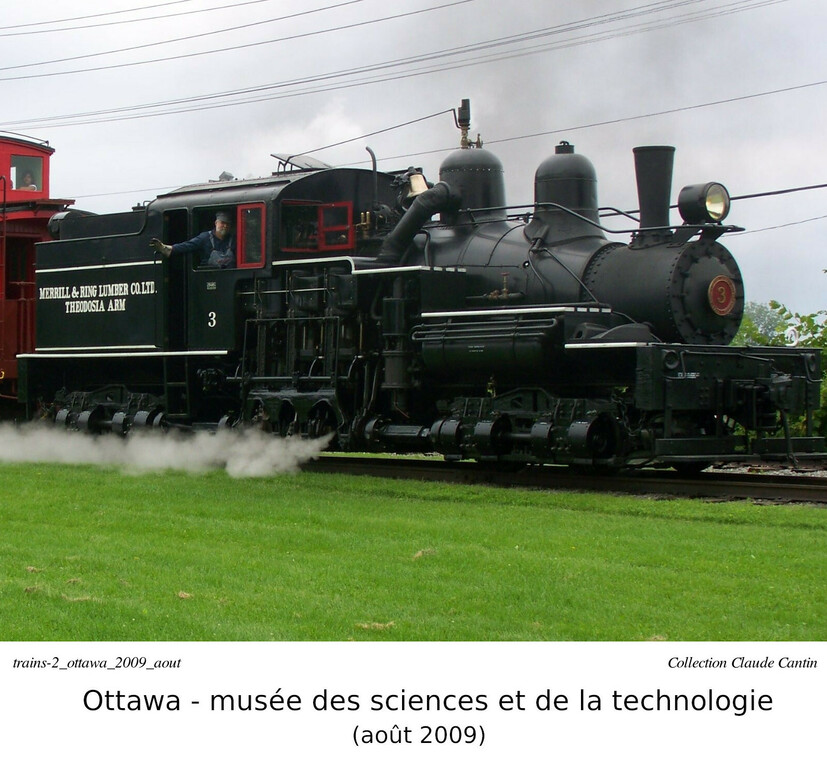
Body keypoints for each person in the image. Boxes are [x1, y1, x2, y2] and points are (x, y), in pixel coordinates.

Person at [150, 211, 236, 268]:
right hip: (209, 276)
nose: (225, 226)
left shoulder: (233, 240)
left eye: (227, 224)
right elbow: (188, 245)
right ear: (216, 223)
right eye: (222, 223)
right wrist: (167, 249)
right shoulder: (205, 237)